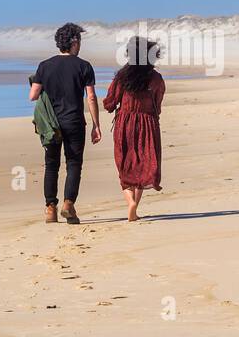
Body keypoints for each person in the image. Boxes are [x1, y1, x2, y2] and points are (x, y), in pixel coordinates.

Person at [29, 23, 101, 224]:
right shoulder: (84, 66)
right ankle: (68, 205)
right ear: (74, 42)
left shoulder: (44, 66)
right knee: (73, 164)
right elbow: (92, 97)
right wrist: (96, 125)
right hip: (74, 122)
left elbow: (33, 95)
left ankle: (50, 209)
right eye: (80, 41)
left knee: (51, 165)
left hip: (51, 124)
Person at [102, 36, 164, 222]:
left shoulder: (122, 76)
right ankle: (135, 207)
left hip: (125, 123)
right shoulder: (156, 78)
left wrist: (111, 105)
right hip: (147, 123)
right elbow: (157, 104)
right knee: (143, 163)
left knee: (125, 163)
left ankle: (130, 202)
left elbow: (110, 102)